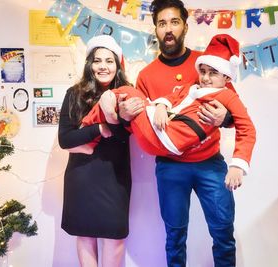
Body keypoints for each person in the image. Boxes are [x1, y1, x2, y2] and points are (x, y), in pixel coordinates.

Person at [117, 0, 241, 266]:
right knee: (174, 235)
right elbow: (141, 126)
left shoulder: (205, 63)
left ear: (185, 25)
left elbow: (235, 112)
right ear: (156, 30)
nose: (168, 29)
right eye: (162, 24)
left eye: (174, 22)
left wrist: (224, 117)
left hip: (211, 163)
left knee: (223, 232)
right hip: (170, 166)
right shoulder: (146, 76)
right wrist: (126, 118)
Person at [82, 33, 256, 191]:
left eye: (213, 73)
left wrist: (237, 165)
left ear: (227, 77)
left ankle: (101, 107)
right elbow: (173, 96)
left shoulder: (227, 95)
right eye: (202, 72)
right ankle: (92, 126)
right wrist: (161, 106)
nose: (205, 78)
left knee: (126, 91)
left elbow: (247, 129)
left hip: (170, 141)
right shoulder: (192, 87)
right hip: (159, 135)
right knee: (129, 95)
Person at [58, 34, 132, 267]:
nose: (103, 66)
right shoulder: (74, 94)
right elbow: (65, 139)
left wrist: (111, 121)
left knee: (115, 238)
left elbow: (125, 136)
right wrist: (100, 127)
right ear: (90, 64)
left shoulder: (128, 94)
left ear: (117, 64)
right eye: (97, 60)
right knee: (85, 234)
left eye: (109, 61)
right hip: (82, 178)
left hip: (114, 177)